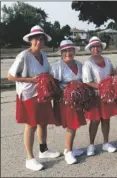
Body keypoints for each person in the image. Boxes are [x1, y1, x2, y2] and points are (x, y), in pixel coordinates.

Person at [7, 25, 60, 171]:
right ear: (30, 40)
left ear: (44, 42)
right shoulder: (24, 56)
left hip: (42, 94)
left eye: (41, 39)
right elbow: (10, 76)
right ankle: (29, 158)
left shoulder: (43, 55)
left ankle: (43, 150)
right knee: (30, 125)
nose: (38, 42)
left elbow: (47, 72)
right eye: (36, 39)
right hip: (29, 95)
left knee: (42, 123)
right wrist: (31, 80)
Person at [82, 36, 117, 156]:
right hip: (95, 96)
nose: (96, 49)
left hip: (107, 96)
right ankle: (91, 144)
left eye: (98, 46)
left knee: (106, 119)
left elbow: (112, 73)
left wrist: (113, 83)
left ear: (101, 48)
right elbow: (87, 81)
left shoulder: (107, 60)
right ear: (90, 49)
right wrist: (103, 87)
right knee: (95, 120)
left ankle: (106, 143)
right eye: (93, 47)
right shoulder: (88, 63)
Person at [51, 39, 86, 164]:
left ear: (74, 51)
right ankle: (68, 151)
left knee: (74, 125)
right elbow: (53, 87)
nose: (68, 53)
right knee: (72, 125)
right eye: (65, 51)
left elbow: (84, 81)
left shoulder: (79, 64)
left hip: (78, 100)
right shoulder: (57, 67)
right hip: (65, 101)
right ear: (61, 52)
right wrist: (67, 91)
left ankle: (69, 148)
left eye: (70, 50)